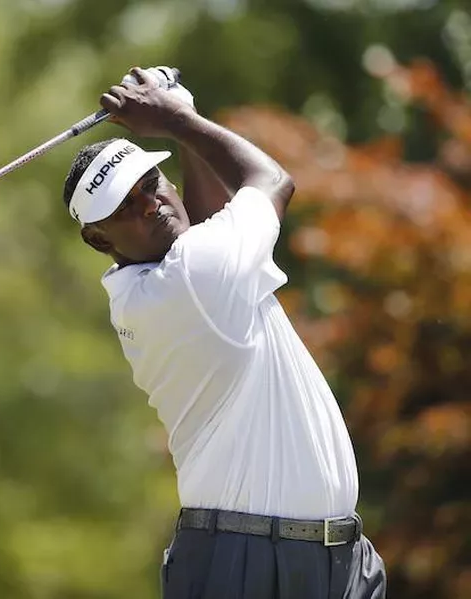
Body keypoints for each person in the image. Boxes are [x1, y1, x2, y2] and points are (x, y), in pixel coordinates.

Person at [62, 66, 387, 598]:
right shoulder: (191, 279)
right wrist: (178, 120)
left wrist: (182, 118)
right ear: (99, 240)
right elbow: (272, 181)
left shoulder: (162, 283)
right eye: (125, 208)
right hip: (248, 563)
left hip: (335, 558)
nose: (150, 204)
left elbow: (209, 223)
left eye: (151, 184)